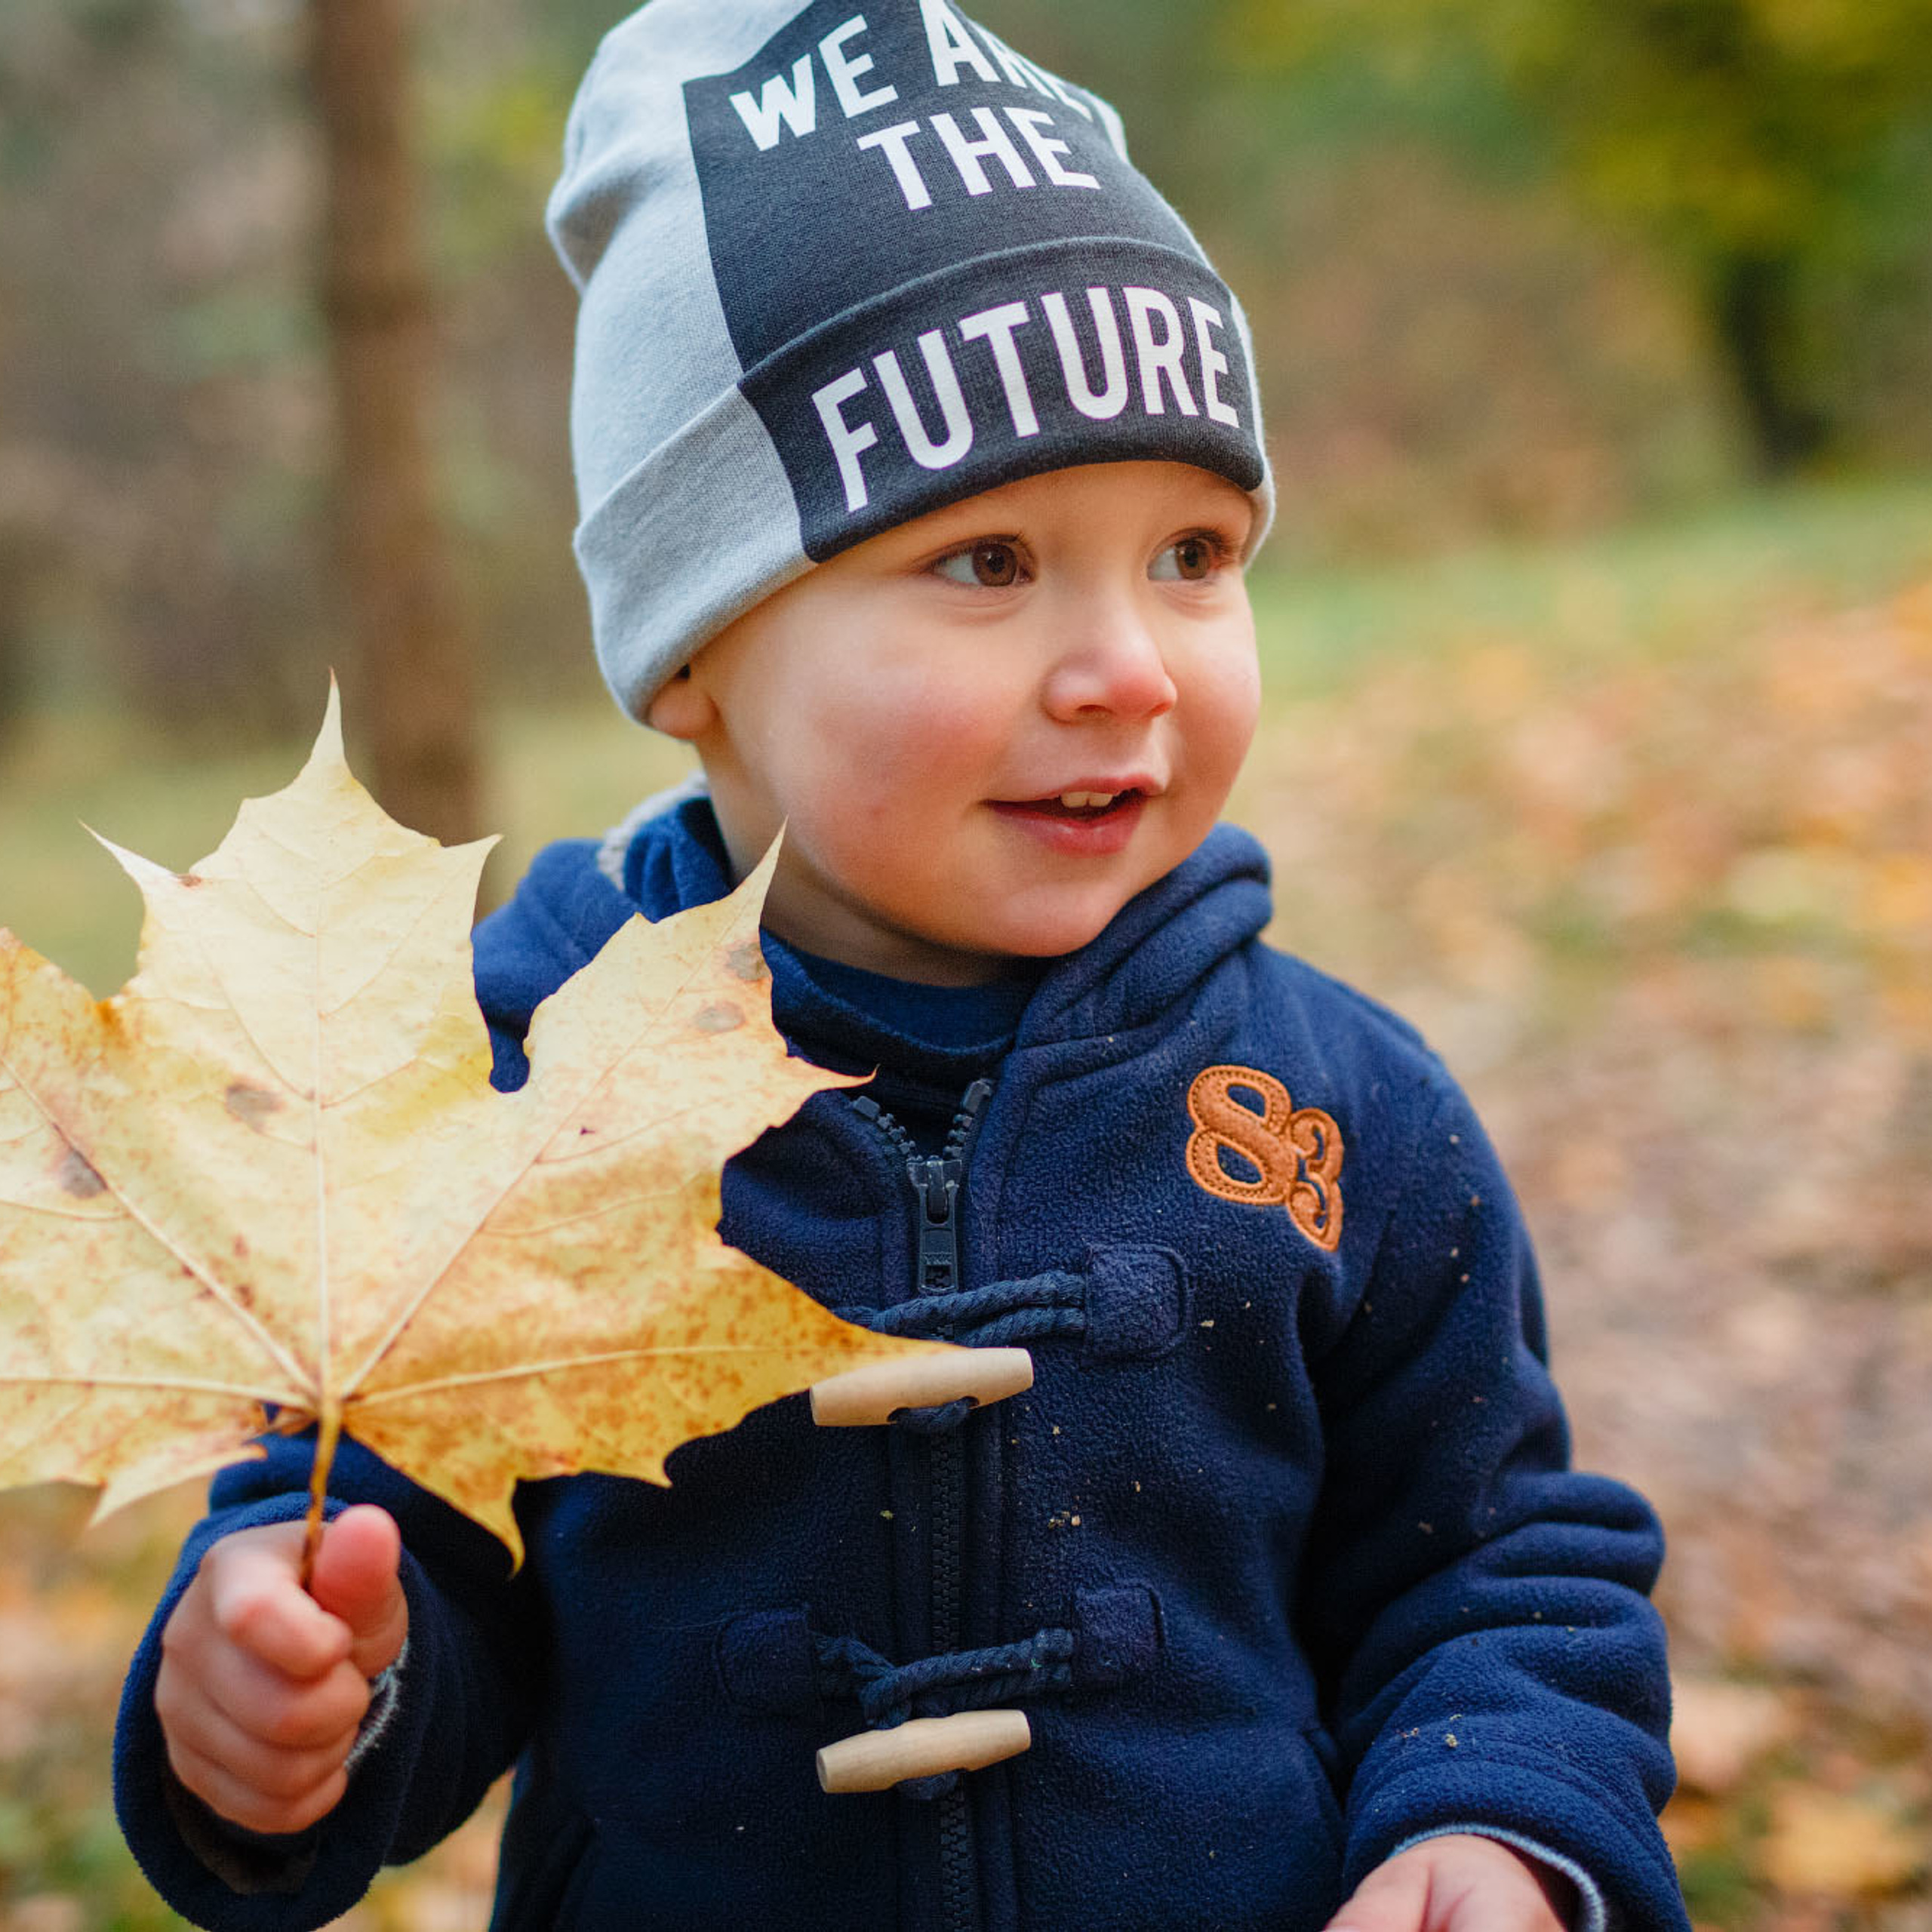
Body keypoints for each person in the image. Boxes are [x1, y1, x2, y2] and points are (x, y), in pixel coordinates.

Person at [113, 3, 1689, 1927]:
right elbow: (396, 1569)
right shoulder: (502, 1113)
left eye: (1193, 552)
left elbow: (1489, 1561)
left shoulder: (1336, 1114)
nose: (1126, 665)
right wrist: (305, 1698)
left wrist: (1495, 1820)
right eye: (988, 563)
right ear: (696, 654)